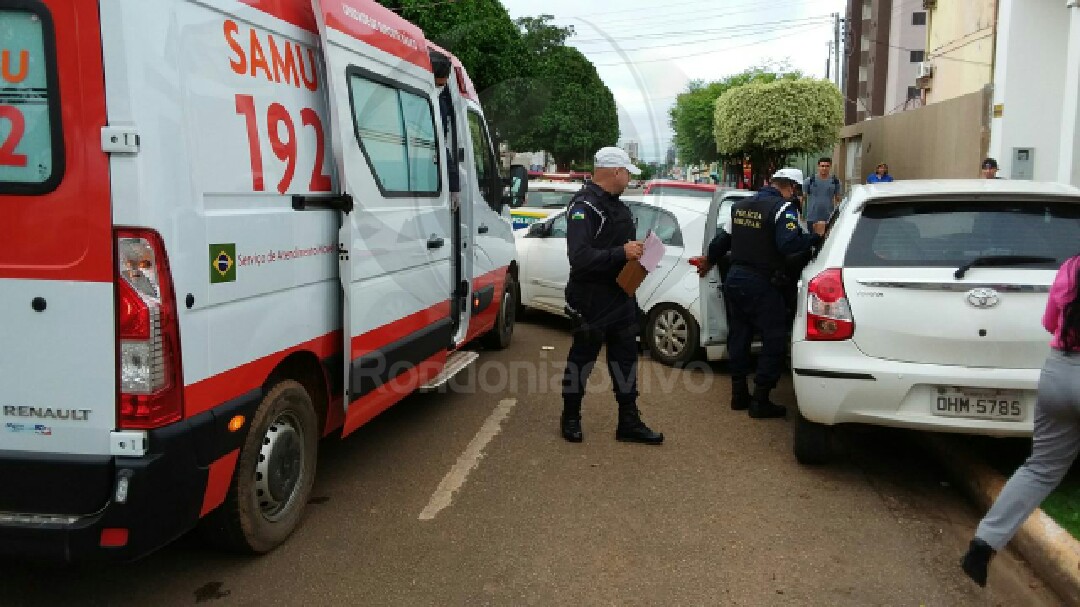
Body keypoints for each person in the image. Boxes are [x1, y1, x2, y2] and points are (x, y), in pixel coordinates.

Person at [961, 253, 1080, 587]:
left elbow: (1050, 322)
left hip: (1060, 371)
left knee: (1040, 468)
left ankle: (983, 545)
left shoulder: (1072, 266)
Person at [693, 168, 823, 418]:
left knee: (739, 336)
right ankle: (760, 400)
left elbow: (721, 241)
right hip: (762, 283)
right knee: (774, 338)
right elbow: (789, 244)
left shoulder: (741, 206)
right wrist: (815, 238)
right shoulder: (783, 208)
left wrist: (709, 260)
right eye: (798, 192)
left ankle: (739, 394)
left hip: (735, 280)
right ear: (792, 188)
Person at [559, 147, 663, 445]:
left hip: (620, 295)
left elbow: (617, 246)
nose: (630, 178)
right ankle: (570, 417)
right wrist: (622, 252)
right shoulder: (584, 207)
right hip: (591, 298)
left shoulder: (617, 206)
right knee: (582, 360)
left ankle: (629, 422)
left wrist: (637, 252)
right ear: (616, 171)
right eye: (628, 172)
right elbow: (579, 257)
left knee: (626, 360)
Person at [430, 51, 460, 209]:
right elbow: (438, 143)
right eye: (436, 85)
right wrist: (454, 186)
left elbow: (441, 142)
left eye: (441, 85)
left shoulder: (444, 99)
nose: (439, 88)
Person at [803, 157, 842, 234]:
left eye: (827, 166)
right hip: (812, 218)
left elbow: (838, 199)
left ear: (830, 167)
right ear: (818, 166)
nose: (824, 168)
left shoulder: (835, 181)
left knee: (827, 240)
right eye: (822, 166)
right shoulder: (809, 181)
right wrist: (800, 215)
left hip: (828, 218)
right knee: (812, 239)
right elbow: (802, 198)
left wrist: (839, 215)